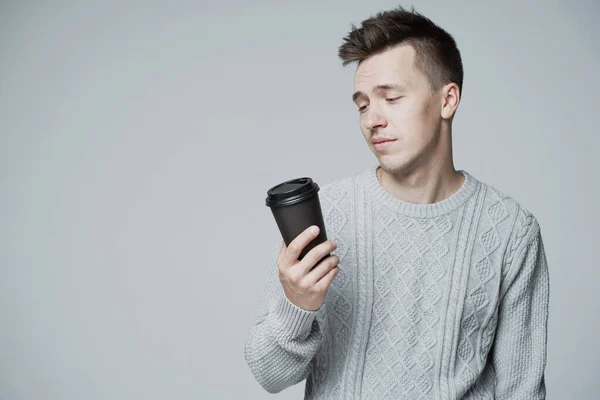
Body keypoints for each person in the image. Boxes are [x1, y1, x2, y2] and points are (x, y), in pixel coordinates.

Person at [244, 5, 549, 399]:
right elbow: (269, 374)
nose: (372, 119)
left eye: (390, 97)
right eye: (363, 104)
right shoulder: (327, 215)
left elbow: (521, 391)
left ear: (447, 100)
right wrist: (296, 305)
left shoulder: (510, 231)